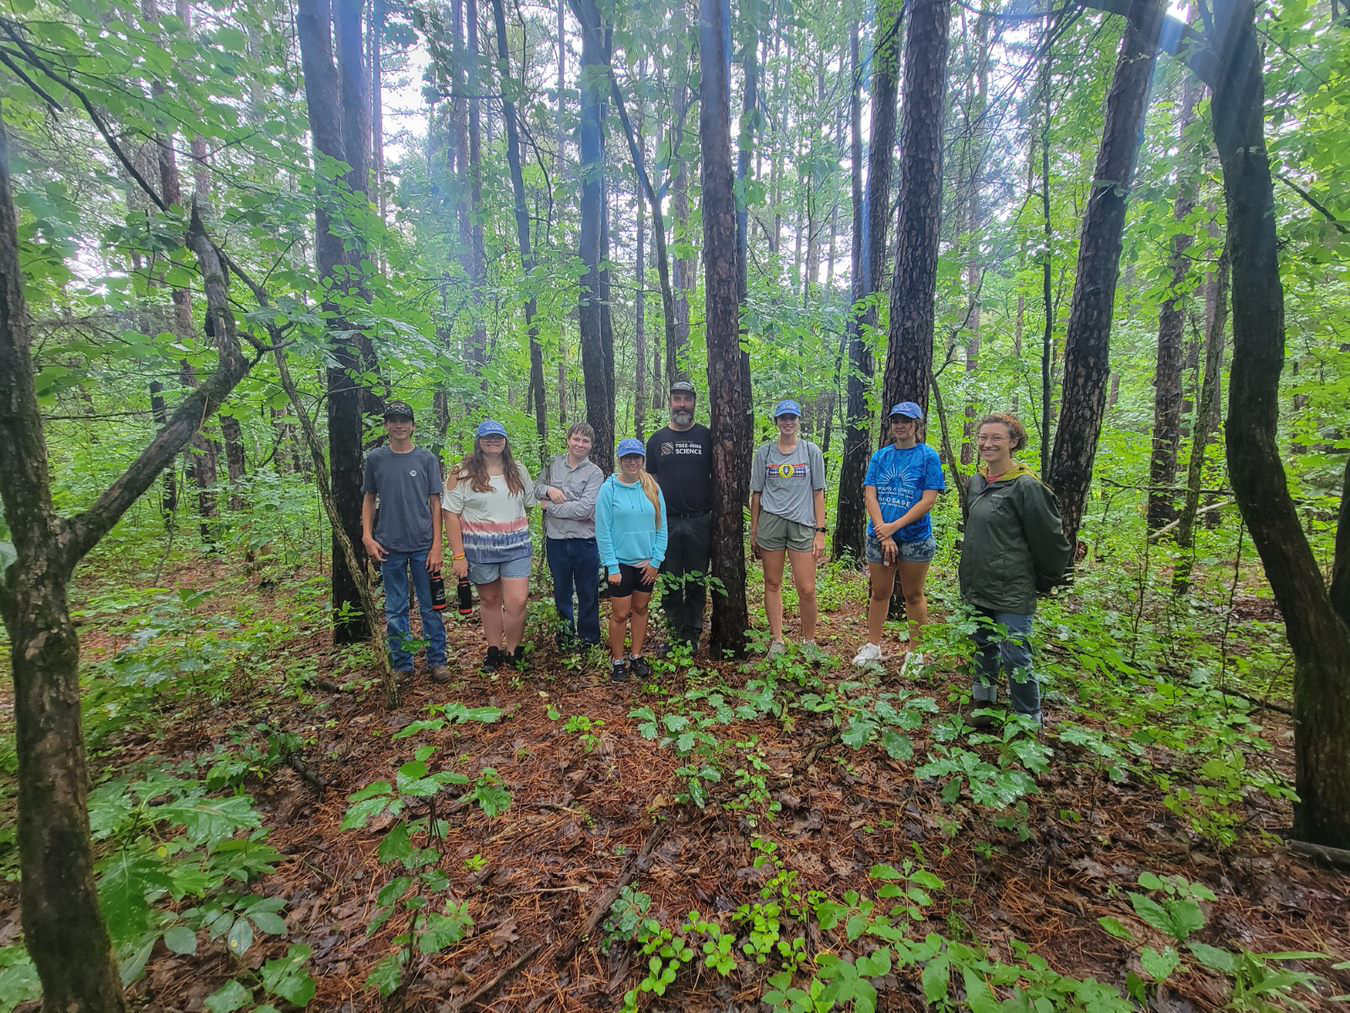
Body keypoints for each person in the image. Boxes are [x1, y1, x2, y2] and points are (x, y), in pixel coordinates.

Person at [960, 413, 1071, 727]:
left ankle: (1028, 720)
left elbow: (1049, 538)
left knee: (1015, 654)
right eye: (983, 437)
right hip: (978, 584)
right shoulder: (978, 483)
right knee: (984, 647)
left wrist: (1048, 577)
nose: (987, 444)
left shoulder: (1026, 486)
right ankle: (983, 705)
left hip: (1012, 587)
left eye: (996, 438)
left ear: (1013, 442)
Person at [853, 401, 946, 669]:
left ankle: (916, 654)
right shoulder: (881, 457)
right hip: (879, 536)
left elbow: (928, 500)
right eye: (896, 421)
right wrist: (884, 532)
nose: (900, 426)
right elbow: (871, 493)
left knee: (913, 594)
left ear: (917, 425)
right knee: (880, 593)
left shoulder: (928, 456)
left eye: (906, 421)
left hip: (915, 538)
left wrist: (894, 527)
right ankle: (872, 646)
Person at [361, 402, 449, 682]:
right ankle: (402, 664)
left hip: (424, 544)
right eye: (393, 420)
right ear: (386, 425)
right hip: (389, 546)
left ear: (412, 425)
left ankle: (438, 660)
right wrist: (367, 536)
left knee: (431, 606)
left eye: (404, 420)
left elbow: (436, 503)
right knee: (396, 609)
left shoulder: (426, 459)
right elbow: (369, 499)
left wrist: (437, 545)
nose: (399, 425)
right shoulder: (376, 459)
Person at [443, 420, 537, 672]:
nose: (493, 441)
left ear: (505, 441)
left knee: (517, 601)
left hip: (516, 546)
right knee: (490, 599)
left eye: (498, 437)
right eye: (487, 437)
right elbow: (450, 514)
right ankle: (493, 650)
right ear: (478, 441)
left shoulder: (518, 470)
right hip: (480, 549)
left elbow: (528, 504)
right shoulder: (461, 471)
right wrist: (458, 555)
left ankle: (514, 650)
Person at [750, 400, 827, 656]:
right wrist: (754, 531)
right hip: (771, 523)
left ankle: (809, 641)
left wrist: (821, 531)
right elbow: (757, 494)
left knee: (806, 587)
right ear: (776, 422)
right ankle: (778, 640)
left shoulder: (810, 451)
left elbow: (818, 493)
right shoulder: (765, 453)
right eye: (783, 418)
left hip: (803, 524)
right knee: (772, 582)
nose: (788, 422)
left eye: (792, 418)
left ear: (798, 421)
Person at [646, 380, 714, 653]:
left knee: (696, 581)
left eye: (687, 398)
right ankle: (675, 635)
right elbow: (650, 481)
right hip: (667, 522)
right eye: (677, 398)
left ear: (694, 403)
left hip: (700, 520)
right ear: (670, 403)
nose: (682, 404)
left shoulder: (706, 437)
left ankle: (693, 636)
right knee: (671, 582)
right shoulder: (657, 440)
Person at [595, 439, 668, 682]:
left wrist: (656, 561)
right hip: (620, 564)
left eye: (637, 457)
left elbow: (662, 527)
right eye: (627, 458)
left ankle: (636, 656)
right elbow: (602, 530)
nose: (632, 462)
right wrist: (612, 566)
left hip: (646, 563)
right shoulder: (609, 489)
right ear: (620, 460)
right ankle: (617, 660)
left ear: (643, 460)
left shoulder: (652, 486)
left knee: (640, 608)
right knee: (619, 613)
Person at [536, 422, 604, 650]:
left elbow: (584, 509)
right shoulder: (552, 464)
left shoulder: (595, 473)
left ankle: (589, 641)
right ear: (568, 439)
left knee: (588, 593)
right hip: (556, 542)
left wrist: (550, 507)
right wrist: (549, 490)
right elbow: (535, 488)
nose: (580, 444)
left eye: (585, 441)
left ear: (591, 445)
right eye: (576, 439)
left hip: (585, 542)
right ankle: (564, 639)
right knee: (561, 592)